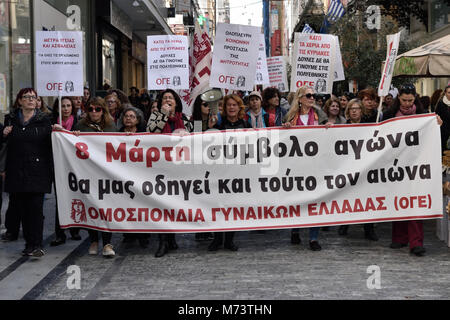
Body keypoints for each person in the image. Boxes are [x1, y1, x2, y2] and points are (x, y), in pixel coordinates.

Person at [383, 83, 442, 256]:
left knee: (415, 202)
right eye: (404, 100)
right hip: (396, 164)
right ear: (398, 98)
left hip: (417, 165)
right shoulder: (389, 114)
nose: (407, 104)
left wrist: (437, 123)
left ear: (415, 98)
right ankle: (399, 238)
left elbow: (436, 134)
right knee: (398, 201)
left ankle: (416, 242)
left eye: (410, 100)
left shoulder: (424, 115)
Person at [2, 88, 53, 257]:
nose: (31, 100)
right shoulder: (11, 120)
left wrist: (61, 131)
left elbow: (53, 143)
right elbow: (4, 145)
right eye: (27, 97)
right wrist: (3, 134)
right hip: (17, 170)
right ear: (20, 101)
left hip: (38, 171)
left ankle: (37, 244)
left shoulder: (44, 120)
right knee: (22, 209)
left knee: (36, 209)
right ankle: (29, 244)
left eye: (33, 97)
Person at [146, 89, 193, 258]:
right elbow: (152, 132)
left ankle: (172, 237)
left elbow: (196, 137)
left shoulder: (185, 119)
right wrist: (163, 115)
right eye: (164, 98)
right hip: (161, 167)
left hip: (180, 167)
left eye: (170, 97)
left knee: (175, 204)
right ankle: (163, 241)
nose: (167, 100)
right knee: (162, 204)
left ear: (176, 102)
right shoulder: (155, 117)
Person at [283, 86, 327, 251]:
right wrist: (285, 128)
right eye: (308, 95)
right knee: (297, 199)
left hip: (315, 164)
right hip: (296, 165)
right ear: (300, 98)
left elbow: (328, 131)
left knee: (315, 199)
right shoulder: (291, 116)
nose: (312, 98)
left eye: (313, 95)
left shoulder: (319, 114)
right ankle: (295, 229)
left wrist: (328, 127)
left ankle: (313, 238)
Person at [73, 97, 117, 257]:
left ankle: (107, 243)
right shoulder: (80, 126)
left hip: (105, 173)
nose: (94, 112)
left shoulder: (111, 127)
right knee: (91, 206)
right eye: (90, 109)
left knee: (106, 208)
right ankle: (93, 240)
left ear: (103, 110)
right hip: (88, 173)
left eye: (97, 109)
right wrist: (74, 136)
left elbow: (118, 146)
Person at [208, 94, 250, 252]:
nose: (231, 107)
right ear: (224, 108)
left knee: (233, 206)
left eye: (234, 105)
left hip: (238, 171)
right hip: (220, 171)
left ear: (239, 107)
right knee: (219, 206)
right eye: (228, 105)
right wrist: (209, 126)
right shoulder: (219, 124)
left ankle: (229, 240)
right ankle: (217, 239)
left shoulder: (246, 124)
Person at [336, 98, 378, 241]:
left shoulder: (369, 127)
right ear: (348, 111)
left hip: (365, 167)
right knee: (348, 196)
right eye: (351, 108)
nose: (354, 111)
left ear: (362, 111)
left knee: (366, 198)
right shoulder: (341, 127)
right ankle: (345, 224)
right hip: (348, 167)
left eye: (357, 108)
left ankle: (369, 228)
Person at [50, 97, 81, 246]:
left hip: (75, 166)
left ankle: (75, 229)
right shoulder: (51, 123)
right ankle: (60, 233)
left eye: (68, 106)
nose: (66, 109)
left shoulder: (78, 122)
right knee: (60, 198)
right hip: (57, 165)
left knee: (74, 196)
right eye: (63, 106)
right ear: (58, 108)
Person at [119, 106, 150, 248]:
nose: (128, 119)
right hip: (123, 175)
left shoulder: (144, 134)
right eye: (126, 116)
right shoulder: (116, 135)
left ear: (138, 120)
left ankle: (143, 235)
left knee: (141, 205)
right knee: (127, 205)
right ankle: (129, 234)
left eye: (132, 116)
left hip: (141, 174)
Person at [190, 94, 215, 241]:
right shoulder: (195, 122)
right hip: (199, 166)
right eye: (206, 105)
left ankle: (210, 227)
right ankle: (201, 229)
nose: (209, 107)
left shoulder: (216, 120)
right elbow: (199, 140)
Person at [433, 85, 450, 154]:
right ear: (445, 93)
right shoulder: (441, 103)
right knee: (443, 147)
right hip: (443, 129)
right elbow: (437, 115)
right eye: (449, 92)